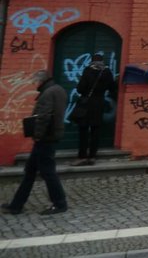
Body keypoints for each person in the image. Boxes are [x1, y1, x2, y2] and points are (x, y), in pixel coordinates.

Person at [2, 69, 68, 215]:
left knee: (48, 172)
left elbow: (43, 117)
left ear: (41, 80)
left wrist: (37, 135)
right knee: (30, 172)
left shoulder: (47, 93)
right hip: (51, 136)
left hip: (45, 139)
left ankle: (60, 203)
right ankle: (16, 205)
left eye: (35, 82)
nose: (34, 84)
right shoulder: (59, 90)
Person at [71, 52, 117, 166]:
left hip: (87, 103)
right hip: (99, 103)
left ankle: (82, 156)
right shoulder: (107, 72)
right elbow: (112, 88)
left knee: (83, 130)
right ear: (102, 61)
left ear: (92, 61)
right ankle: (92, 156)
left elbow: (80, 88)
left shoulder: (88, 70)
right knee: (95, 130)